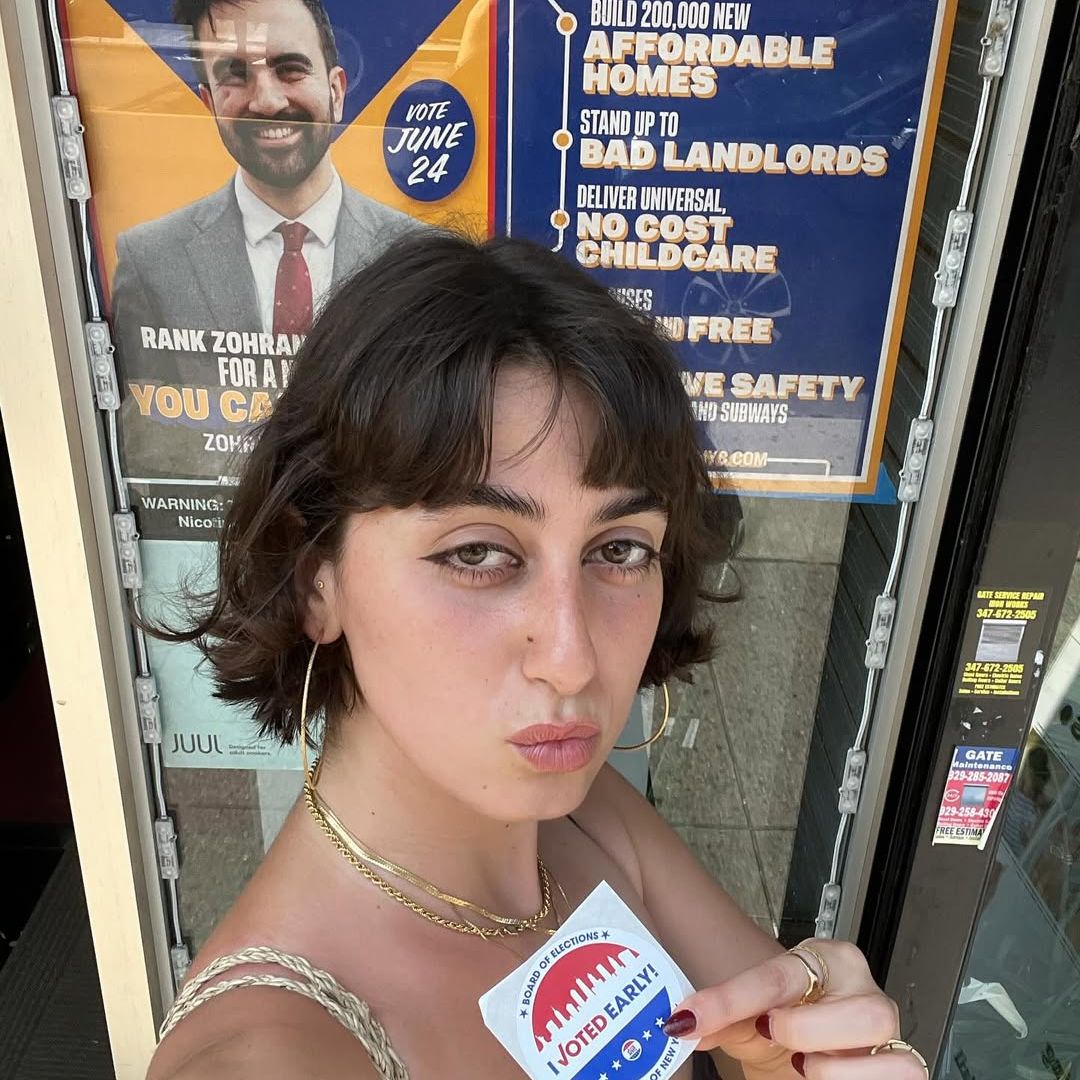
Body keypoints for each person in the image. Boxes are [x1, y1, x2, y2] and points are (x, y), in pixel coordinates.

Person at [145, 232, 928, 1080]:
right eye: (478, 553)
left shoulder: (582, 822)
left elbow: (775, 1044)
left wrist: (808, 1051)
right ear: (313, 581)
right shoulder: (271, 1056)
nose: (573, 658)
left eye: (620, 549)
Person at [111, 0, 414, 373]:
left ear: (336, 92)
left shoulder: (421, 252)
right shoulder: (150, 261)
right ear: (210, 103)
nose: (267, 102)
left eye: (290, 70)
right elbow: (149, 423)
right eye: (235, 75)